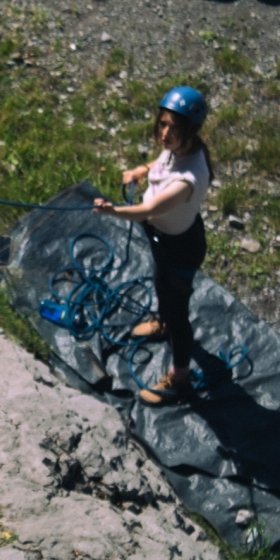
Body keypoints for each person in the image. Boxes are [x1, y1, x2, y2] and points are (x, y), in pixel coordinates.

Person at [93, 86, 213, 405]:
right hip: (164, 240)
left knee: (178, 316)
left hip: (180, 248)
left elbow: (147, 211)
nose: (164, 134)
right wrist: (140, 170)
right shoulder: (180, 149)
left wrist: (112, 211)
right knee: (161, 284)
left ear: (191, 130)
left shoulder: (188, 180)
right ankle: (162, 323)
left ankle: (180, 377)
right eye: (162, 124)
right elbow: (159, 164)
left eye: (174, 128)